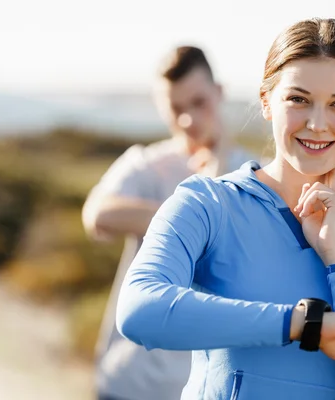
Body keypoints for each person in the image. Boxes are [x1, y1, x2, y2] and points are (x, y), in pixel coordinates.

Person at [115, 18, 335, 400]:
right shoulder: (205, 204)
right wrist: (304, 324)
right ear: (267, 102)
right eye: (298, 99)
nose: (317, 124)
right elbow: (140, 310)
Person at [82, 46, 255, 400]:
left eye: (199, 102)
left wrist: (219, 163)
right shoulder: (146, 163)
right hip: (128, 381)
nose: (188, 119)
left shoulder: (255, 172)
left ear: (219, 93)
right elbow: (97, 215)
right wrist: (185, 216)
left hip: (209, 387)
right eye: (176, 109)